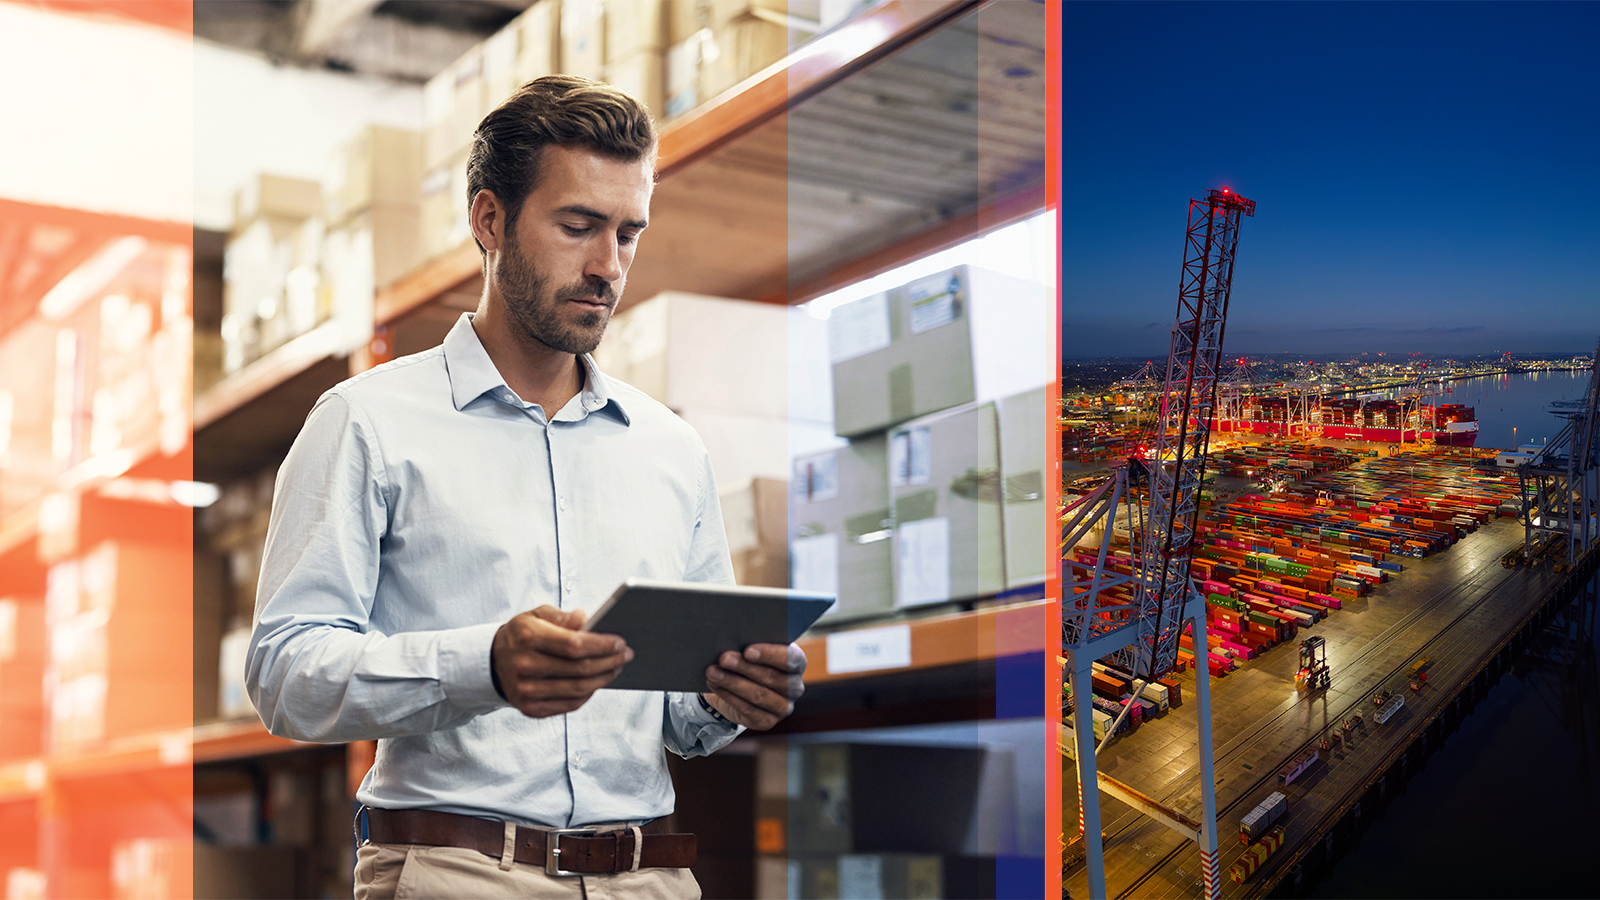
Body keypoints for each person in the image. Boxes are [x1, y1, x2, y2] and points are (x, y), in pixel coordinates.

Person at [246, 75, 806, 900]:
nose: (607, 266)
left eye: (628, 232)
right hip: (458, 872)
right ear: (489, 220)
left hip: (647, 878)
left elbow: (682, 723)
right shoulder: (367, 421)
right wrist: (485, 666)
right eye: (578, 226)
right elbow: (286, 673)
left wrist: (733, 696)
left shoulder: (670, 448)